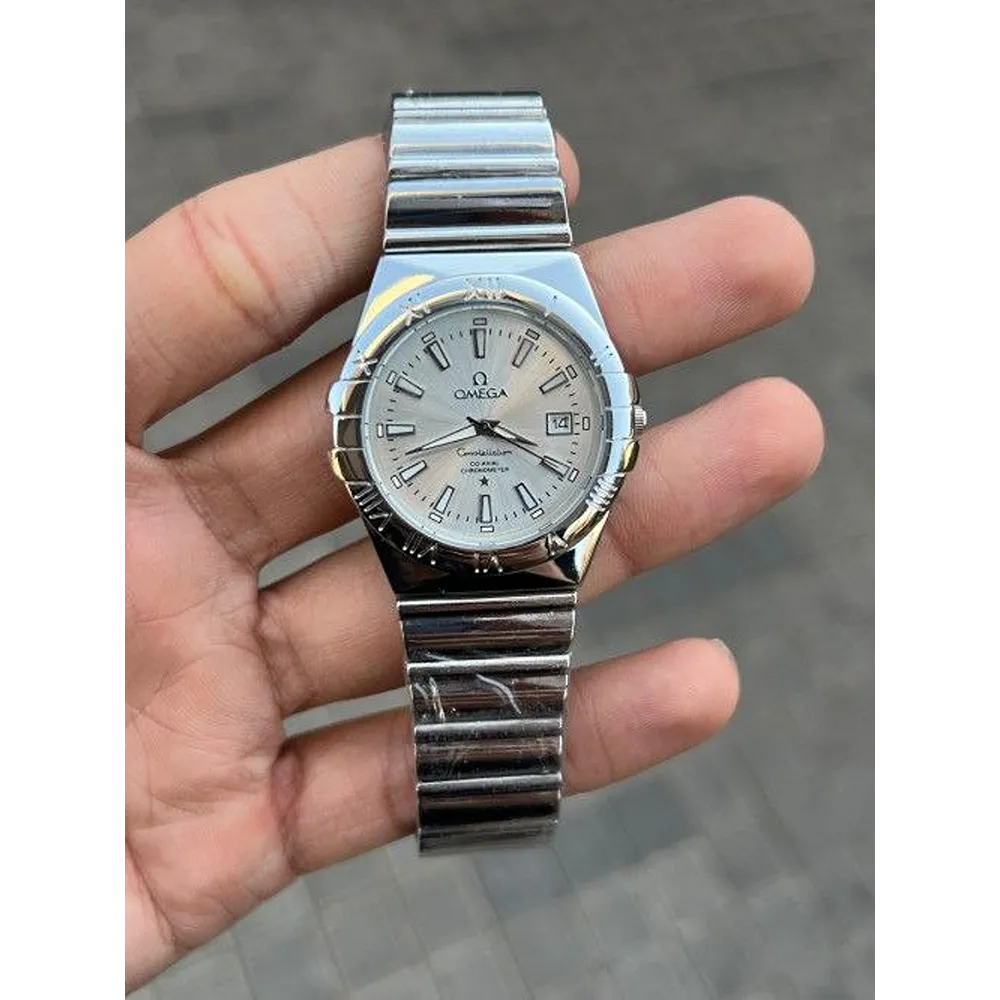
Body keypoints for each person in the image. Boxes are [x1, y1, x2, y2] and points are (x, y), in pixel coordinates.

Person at [121, 133, 824, 991]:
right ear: (352, 432)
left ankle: (489, 797)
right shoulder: (449, 414)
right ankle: (487, 800)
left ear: (621, 429)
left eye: (496, 422)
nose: (488, 428)